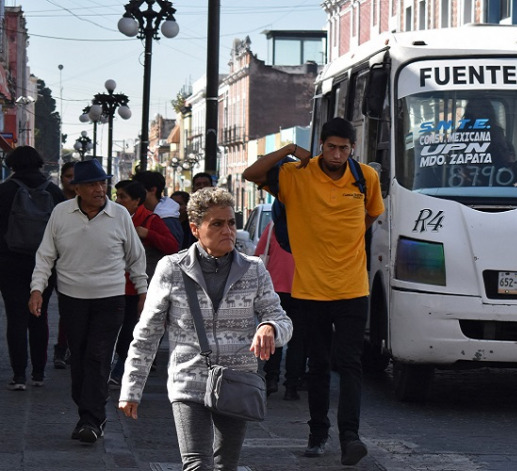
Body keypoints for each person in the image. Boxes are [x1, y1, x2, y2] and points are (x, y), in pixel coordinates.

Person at [118, 187, 293, 471]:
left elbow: (282, 319)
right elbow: (147, 333)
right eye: (217, 224)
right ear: (195, 229)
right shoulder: (172, 268)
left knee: (226, 466)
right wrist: (131, 389)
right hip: (189, 380)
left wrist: (270, 327)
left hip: (237, 381)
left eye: (231, 223)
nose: (228, 230)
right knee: (197, 464)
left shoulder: (254, 269)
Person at [243, 117, 385, 466]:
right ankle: (318, 432)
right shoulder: (295, 175)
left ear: (353, 148)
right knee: (318, 365)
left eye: (344, 148)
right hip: (309, 291)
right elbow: (252, 174)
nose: (337, 154)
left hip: (352, 288)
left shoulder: (366, 178)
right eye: (331, 147)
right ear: (321, 144)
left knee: (350, 364)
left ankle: (350, 436)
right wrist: (290, 150)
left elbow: (369, 217)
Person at [28, 158, 147, 443]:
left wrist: (143, 291)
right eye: (92, 183)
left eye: (102, 182)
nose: (100, 188)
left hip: (111, 298)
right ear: (76, 188)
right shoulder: (61, 213)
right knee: (79, 359)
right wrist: (36, 288)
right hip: (73, 298)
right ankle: (88, 411)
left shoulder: (119, 215)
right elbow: (46, 255)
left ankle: (91, 419)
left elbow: (135, 256)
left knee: (98, 355)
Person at [0, 146, 66, 390]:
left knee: (16, 317)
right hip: (45, 264)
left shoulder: (5, 190)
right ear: (39, 163)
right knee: (40, 316)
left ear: (13, 164)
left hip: (10, 263)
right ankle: (38, 373)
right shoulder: (54, 192)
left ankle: (19, 376)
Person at [108, 181, 179, 388]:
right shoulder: (114, 219)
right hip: (114, 285)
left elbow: (172, 245)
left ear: (137, 201)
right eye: (117, 196)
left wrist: (148, 234)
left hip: (140, 287)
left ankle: (123, 372)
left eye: (123, 197)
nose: (118, 200)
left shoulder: (150, 220)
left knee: (130, 332)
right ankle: (119, 371)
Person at [254, 221, 307, 400]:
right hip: (303, 288)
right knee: (297, 340)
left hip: (275, 287)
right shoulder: (311, 225)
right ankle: (292, 385)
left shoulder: (274, 226)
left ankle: (271, 379)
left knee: (274, 335)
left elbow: (259, 253)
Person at [53, 161, 78, 369]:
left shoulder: (91, 203)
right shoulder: (54, 198)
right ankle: (61, 349)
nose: (71, 179)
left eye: (75, 176)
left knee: (71, 309)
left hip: (76, 262)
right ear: (62, 177)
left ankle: (67, 347)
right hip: (54, 259)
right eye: (68, 175)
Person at [132, 170, 184, 247]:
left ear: (153, 190)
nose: (135, 193)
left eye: (139, 190)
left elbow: (174, 249)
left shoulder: (167, 217)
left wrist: (148, 235)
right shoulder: (145, 211)